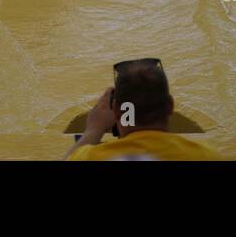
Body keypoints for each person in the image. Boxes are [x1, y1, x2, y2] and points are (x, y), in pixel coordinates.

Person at [64, 58, 218, 161]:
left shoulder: (91, 157)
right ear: (170, 105)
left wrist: (94, 129)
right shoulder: (205, 155)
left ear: (116, 111)